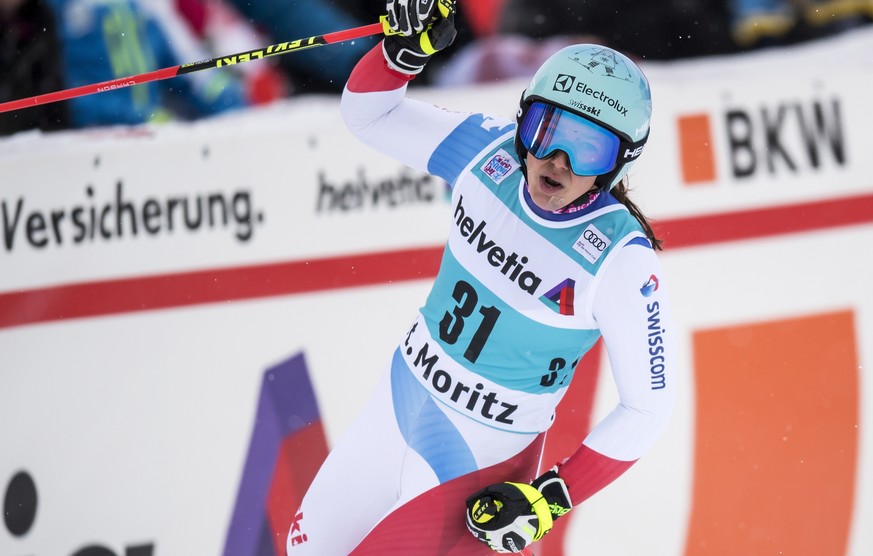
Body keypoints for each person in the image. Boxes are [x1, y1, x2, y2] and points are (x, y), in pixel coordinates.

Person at [288, 1, 676, 553]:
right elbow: (369, 116)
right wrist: (401, 54)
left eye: (589, 148)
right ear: (523, 120)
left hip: (480, 457)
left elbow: (648, 408)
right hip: (399, 403)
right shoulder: (483, 152)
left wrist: (549, 500)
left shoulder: (620, 260)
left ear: (620, 164)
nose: (558, 160)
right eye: (547, 129)